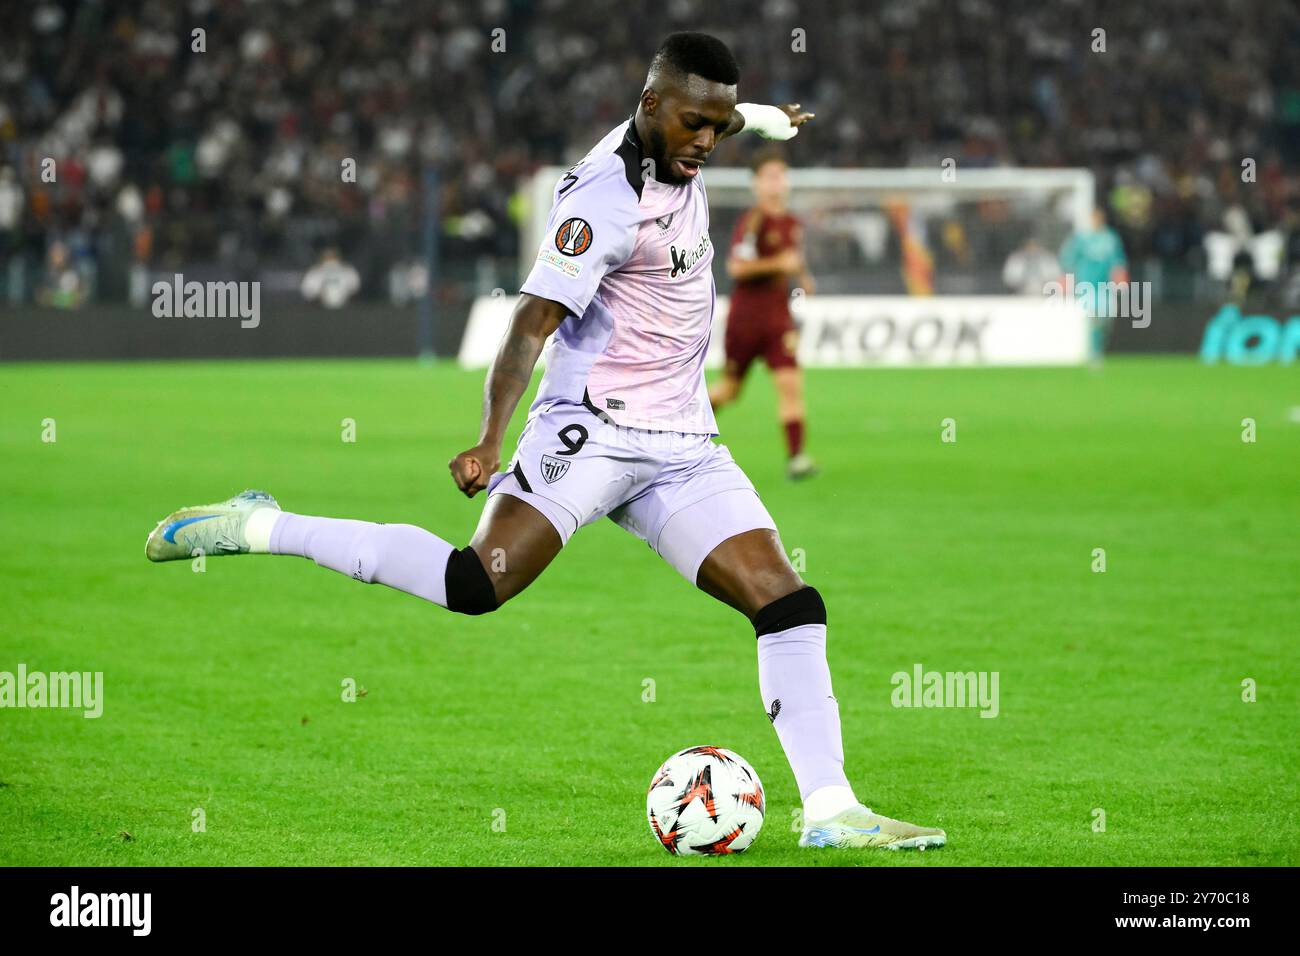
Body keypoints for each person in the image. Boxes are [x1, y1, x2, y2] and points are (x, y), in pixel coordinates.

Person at [144, 32, 944, 852]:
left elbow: (737, 116)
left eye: (718, 126)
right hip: (590, 429)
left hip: (684, 443)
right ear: (649, 110)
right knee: (475, 584)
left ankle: (831, 810)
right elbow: (529, 326)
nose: (707, 142)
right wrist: (490, 438)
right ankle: (261, 525)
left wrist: (772, 121)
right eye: (695, 126)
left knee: (787, 603)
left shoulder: (692, 132)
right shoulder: (602, 200)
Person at [709, 149, 819, 480]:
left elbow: (792, 259)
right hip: (746, 318)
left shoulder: (791, 222)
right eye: (770, 176)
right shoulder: (753, 220)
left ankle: (797, 457)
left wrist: (803, 278)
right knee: (729, 391)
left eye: (781, 175)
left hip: (777, 318)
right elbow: (736, 267)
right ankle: (682, 425)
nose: (777, 182)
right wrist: (778, 265)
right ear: (756, 183)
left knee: (790, 383)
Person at [1058, 206, 1128, 363]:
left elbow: (1118, 261)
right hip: (1086, 287)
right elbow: (1068, 259)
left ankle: (1097, 349)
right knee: (1092, 319)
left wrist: (1121, 279)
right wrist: (1065, 280)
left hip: (1106, 288)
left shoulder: (1110, 238)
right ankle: (1093, 354)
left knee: (1105, 322)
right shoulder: (1081, 238)